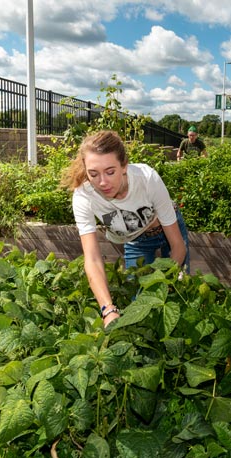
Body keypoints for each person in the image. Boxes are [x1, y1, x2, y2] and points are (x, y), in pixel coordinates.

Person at [62, 130, 190, 326]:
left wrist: (158, 288)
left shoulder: (147, 179)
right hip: (136, 240)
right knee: (136, 304)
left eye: (110, 172)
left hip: (167, 230)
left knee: (178, 293)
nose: (103, 182)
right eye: (93, 174)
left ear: (124, 166)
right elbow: (93, 258)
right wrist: (107, 309)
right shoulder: (83, 196)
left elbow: (178, 247)